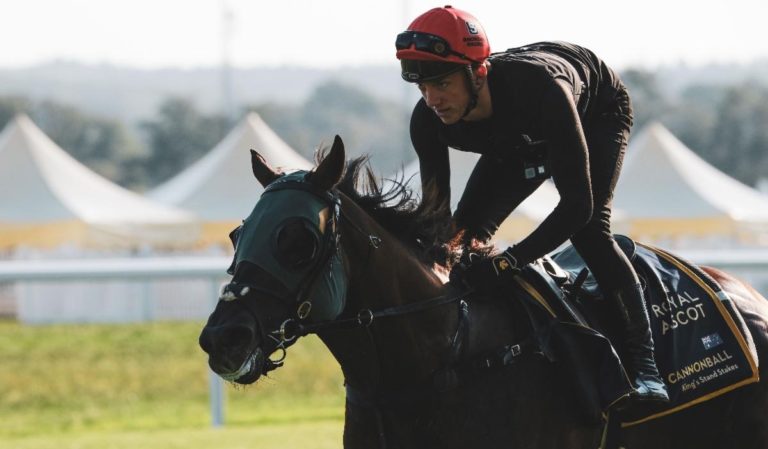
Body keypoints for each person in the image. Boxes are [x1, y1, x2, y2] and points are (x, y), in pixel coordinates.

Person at [395, 5, 668, 404]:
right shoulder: (426, 121)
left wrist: (508, 262)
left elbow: (578, 208)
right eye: (422, 87)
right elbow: (438, 219)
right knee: (461, 233)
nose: (433, 99)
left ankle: (647, 366)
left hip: (595, 114)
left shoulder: (542, 90)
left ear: (478, 72)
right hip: (518, 136)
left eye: (442, 84)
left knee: (590, 232)